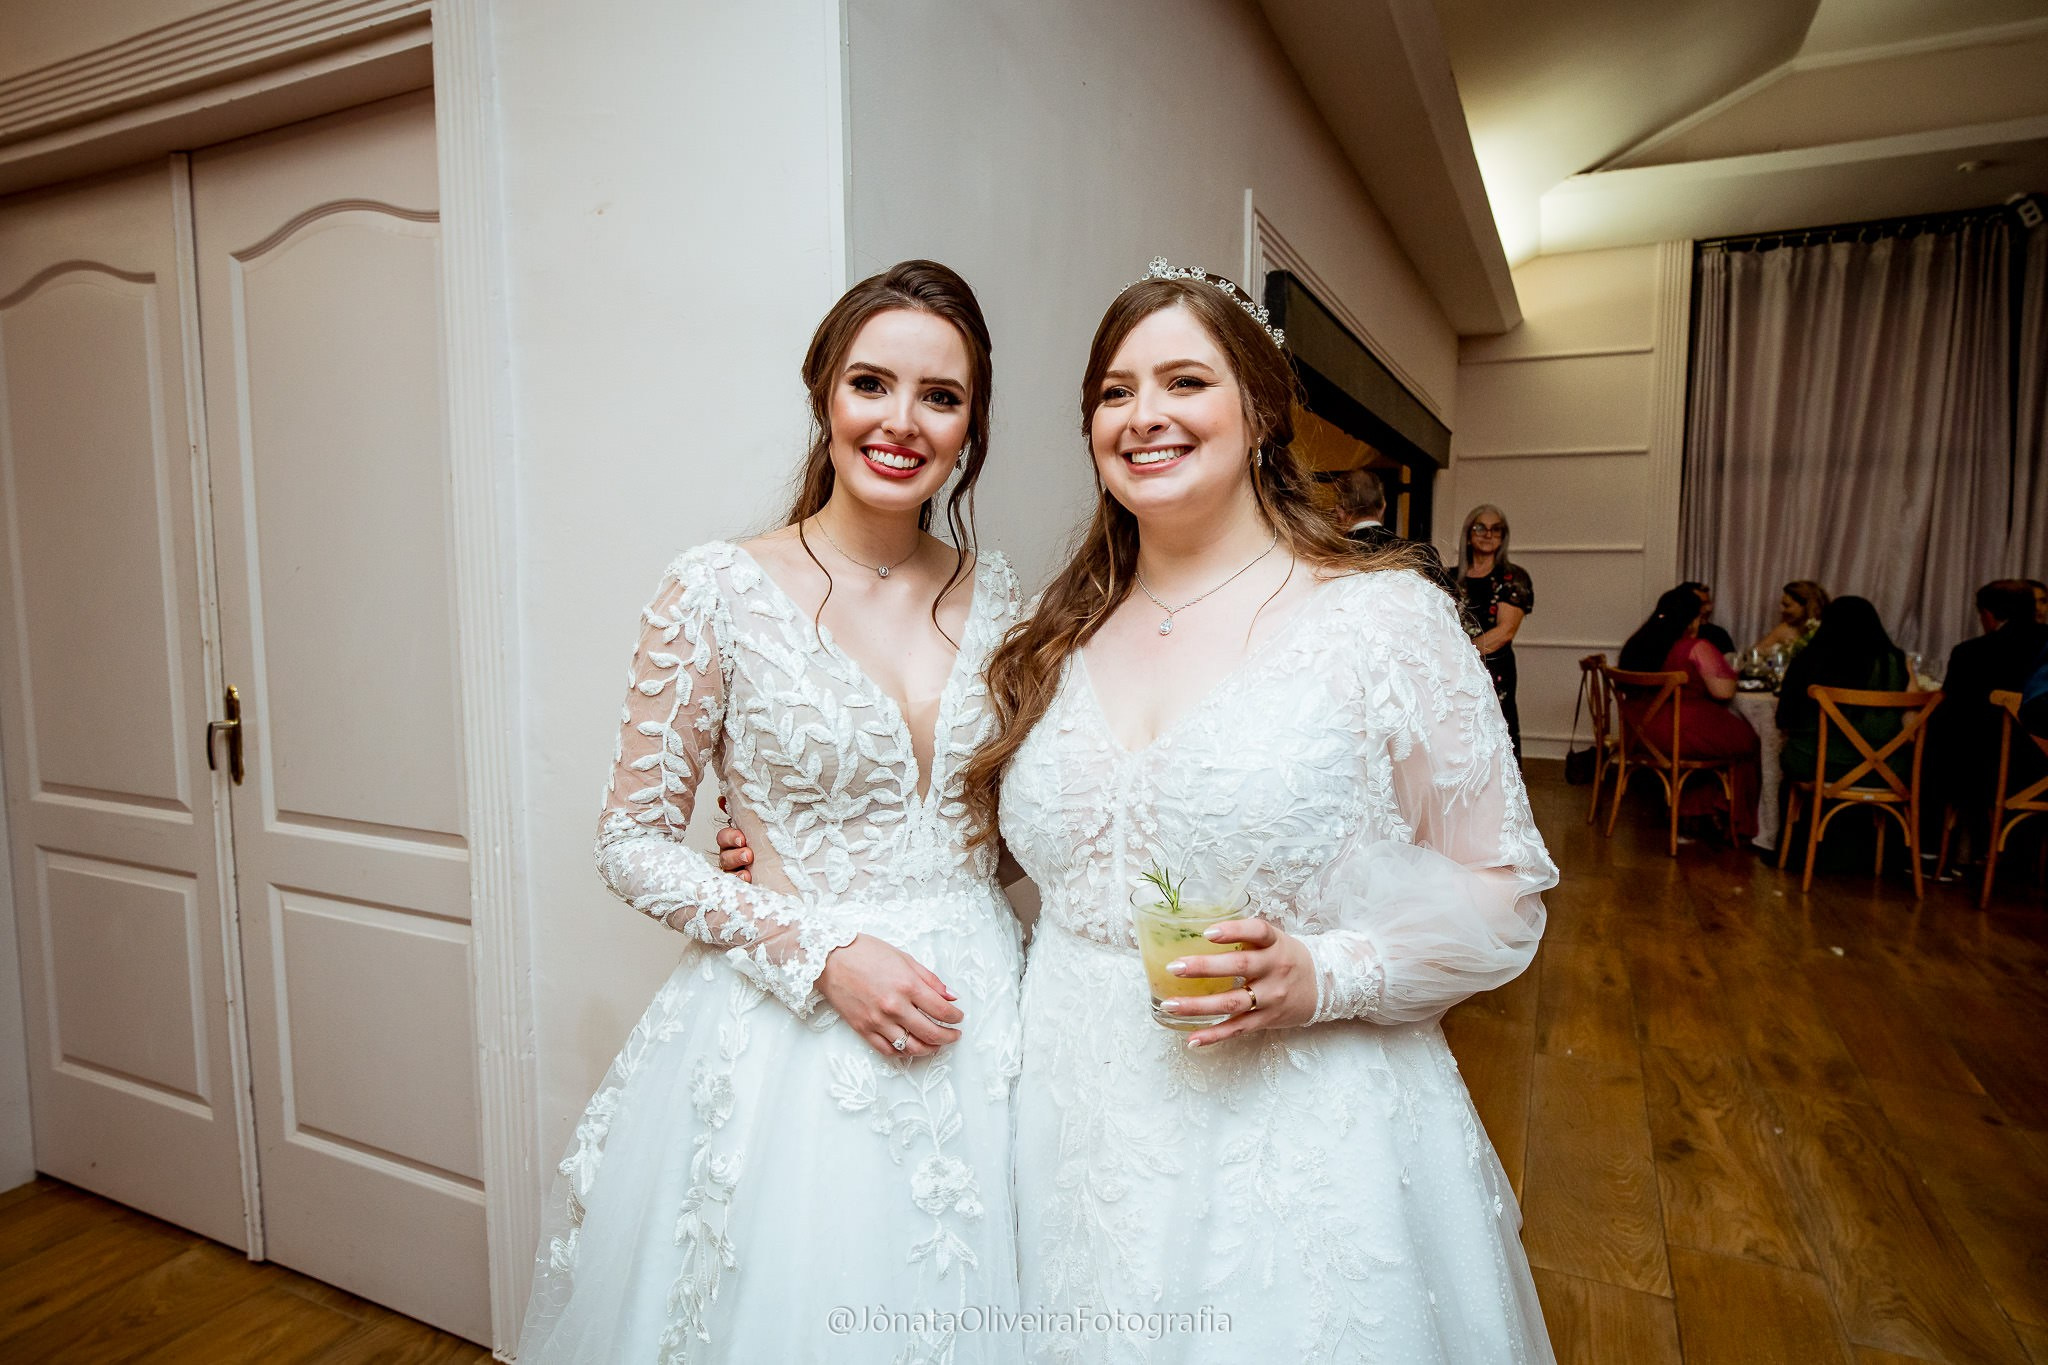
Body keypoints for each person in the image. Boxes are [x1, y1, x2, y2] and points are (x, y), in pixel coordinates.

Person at [956, 261, 1559, 1361]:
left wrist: (1325, 975)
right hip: (1064, 1114)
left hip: (1293, 1133)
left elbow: (1504, 893)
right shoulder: (1050, 634)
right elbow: (1015, 851)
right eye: (1113, 392)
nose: (1143, 416)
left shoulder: (1380, 622)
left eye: (1183, 381)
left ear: (1260, 413)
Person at [517, 261, 1026, 1364]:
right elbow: (628, 841)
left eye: (939, 397)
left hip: (993, 1023)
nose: (901, 422)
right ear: (823, 394)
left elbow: (1025, 830)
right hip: (795, 1033)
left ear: (971, 423)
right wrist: (819, 944)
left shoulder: (1006, 602)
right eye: (870, 384)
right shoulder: (716, 590)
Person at [1617, 587, 1762, 840]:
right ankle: (1725, 818)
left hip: (1639, 734)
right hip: (1678, 731)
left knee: (1711, 744)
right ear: (1692, 619)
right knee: (1746, 742)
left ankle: (1695, 814)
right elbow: (1723, 692)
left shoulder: (1638, 643)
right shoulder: (1694, 647)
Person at [1928, 580, 2048, 852]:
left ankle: (1936, 853)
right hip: (2041, 767)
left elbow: (1951, 714)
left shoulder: (1971, 653)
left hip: (1986, 773)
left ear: (1988, 614)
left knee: (1939, 749)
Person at [1776, 596, 1911, 787]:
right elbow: (1911, 728)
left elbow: (1783, 720)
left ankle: (1805, 816)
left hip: (1814, 765)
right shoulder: (1896, 663)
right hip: (1884, 770)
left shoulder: (1806, 661)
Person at [1455, 503, 1534, 758]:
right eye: (1480, 527)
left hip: (1493, 671)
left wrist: (1459, 654)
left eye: (1495, 529)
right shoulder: (1449, 577)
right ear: (1468, 533)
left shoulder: (1512, 578)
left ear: (1503, 536)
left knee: (1496, 740)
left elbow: (1505, 632)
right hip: (1453, 673)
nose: (1488, 535)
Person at [1336, 465, 1454, 596]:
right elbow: (1452, 606)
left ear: (1340, 511)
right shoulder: (1421, 553)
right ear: (1383, 506)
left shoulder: (1332, 558)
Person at [1747, 579, 1829, 655]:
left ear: (1807, 606)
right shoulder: (1784, 629)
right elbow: (1752, 655)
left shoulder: (1827, 632)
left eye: (1787, 605)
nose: (1781, 610)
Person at [1678, 581, 1736, 655]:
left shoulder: (1719, 634)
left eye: (1708, 603)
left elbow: (1732, 663)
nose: (1708, 609)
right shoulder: (1675, 634)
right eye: (1702, 604)